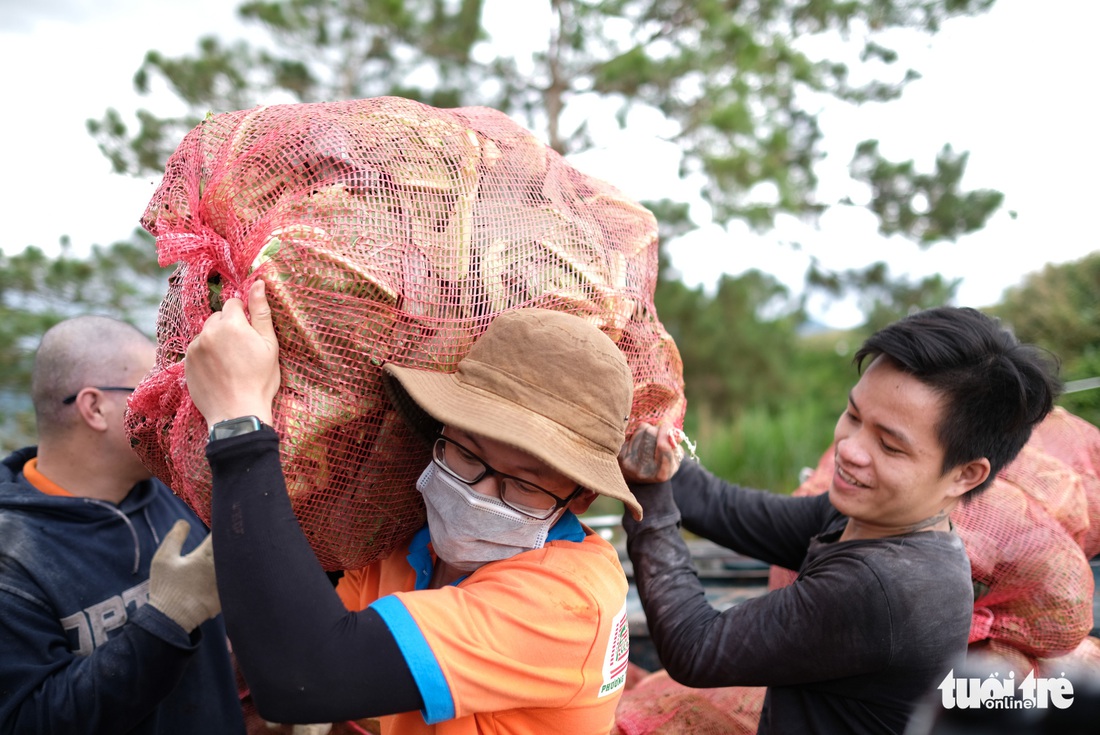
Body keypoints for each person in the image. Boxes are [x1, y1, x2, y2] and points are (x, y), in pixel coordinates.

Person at [183, 280, 640, 734]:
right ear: (441, 433)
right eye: (466, 456)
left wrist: (238, 422)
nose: (476, 495)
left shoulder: (569, 602)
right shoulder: (405, 543)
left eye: (521, 485)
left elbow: (303, 678)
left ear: (580, 496)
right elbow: (328, 651)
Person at [616, 306, 1061, 735]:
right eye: (853, 415)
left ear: (966, 474)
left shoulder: (887, 588)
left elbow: (696, 647)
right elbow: (733, 512)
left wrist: (649, 492)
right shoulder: (875, 518)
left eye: (889, 446)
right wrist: (641, 438)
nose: (849, 449)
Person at [0, 315, 245, 734]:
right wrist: (167, 619)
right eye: (155, 392)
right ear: (94, 407)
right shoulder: (13, 558)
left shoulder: (174, 490)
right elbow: (29, 719)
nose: (175, 408)